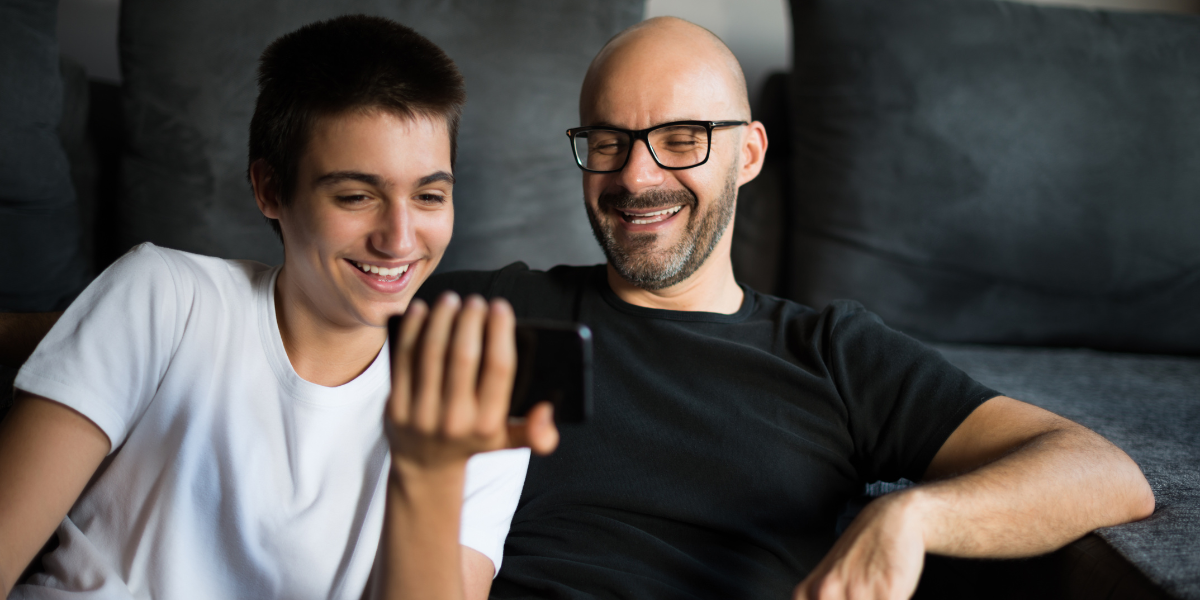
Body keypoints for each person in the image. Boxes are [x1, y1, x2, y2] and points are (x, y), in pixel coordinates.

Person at [413, 16, 1156, 600]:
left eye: (682, 139)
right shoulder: (496, 308)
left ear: (751, 153)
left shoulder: (834, 355)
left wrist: (911, 516)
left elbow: (1102, 471)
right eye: (608, 142)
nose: (636, 177)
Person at [0, 16, 554, 600]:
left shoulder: (477, 405)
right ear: (270, 190)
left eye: (429, 196)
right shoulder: (161, 295)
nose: (399, 238)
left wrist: (430, 475)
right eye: (356, 196)